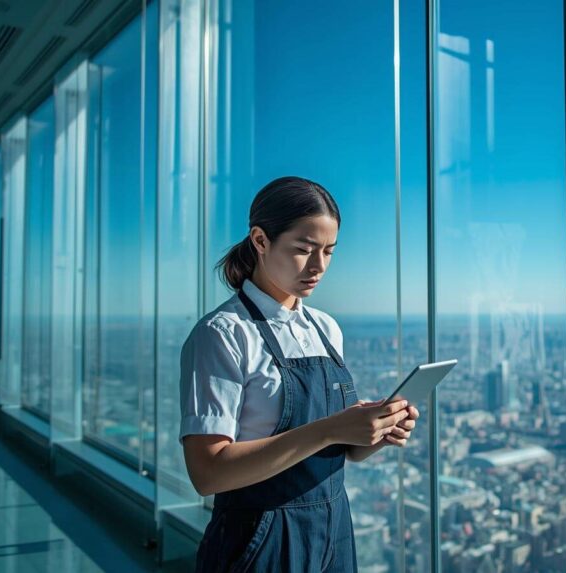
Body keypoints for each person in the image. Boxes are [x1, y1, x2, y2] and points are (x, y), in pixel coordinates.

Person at [179, 176, 419, 572]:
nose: (319, 266)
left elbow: (334, 449)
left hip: (333, 533)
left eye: (329, 251)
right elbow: (207, 472)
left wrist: (372, 433)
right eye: (303, 250)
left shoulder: (325, 329)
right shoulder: (223, 334)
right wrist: (329, 429)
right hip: (259, 538)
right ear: (260, 240)